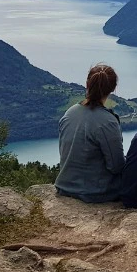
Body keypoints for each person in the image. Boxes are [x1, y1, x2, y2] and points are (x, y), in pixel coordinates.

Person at [55, 64, 124, 203]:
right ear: (113, 88)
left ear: (87, 84)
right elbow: (117, 167)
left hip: (64, 187)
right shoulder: (108, 122)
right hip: (95, 193)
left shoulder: (70, 112)